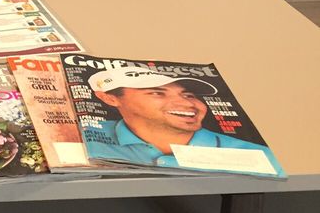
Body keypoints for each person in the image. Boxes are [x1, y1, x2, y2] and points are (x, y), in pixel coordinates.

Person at [87, 67, 282, 172]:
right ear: (109, 98)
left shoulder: (258, 156)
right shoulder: (83, 135)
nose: (187, 103)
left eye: (189, 95)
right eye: (157, 93)